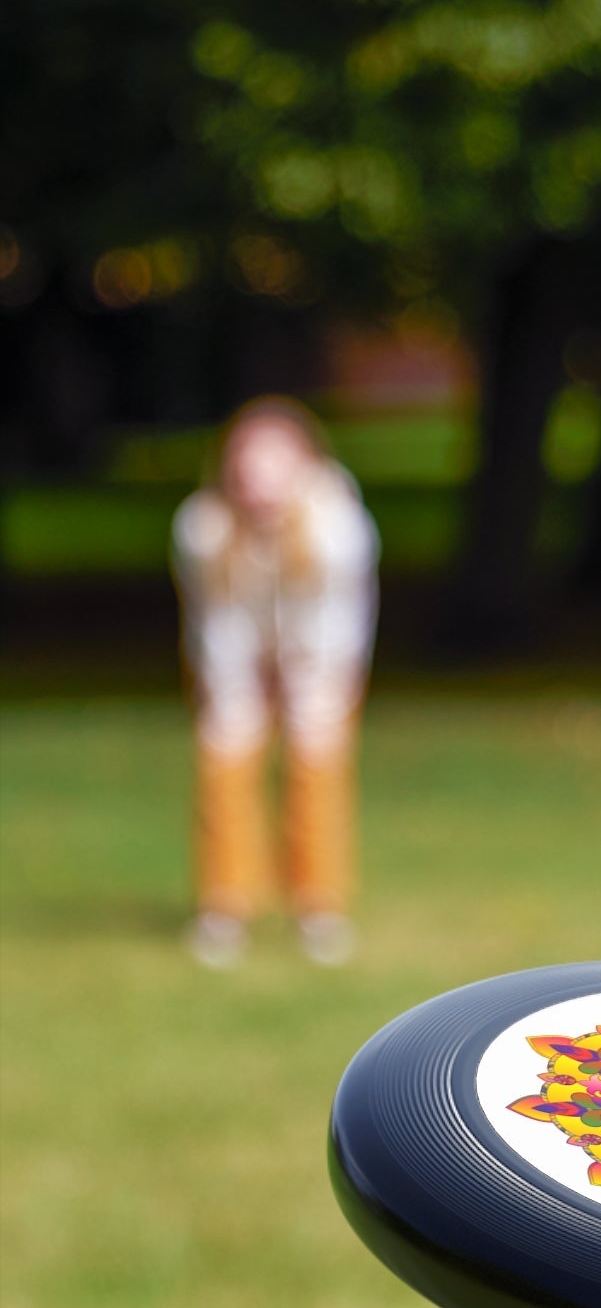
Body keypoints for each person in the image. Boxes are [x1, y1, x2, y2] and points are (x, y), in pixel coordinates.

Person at [172, 397, 379, 968]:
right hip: (234, 656)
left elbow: (337, 622)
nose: (259, 480)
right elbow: (216, 622)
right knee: (224, 758)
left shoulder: (338, 526)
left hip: (320, 658)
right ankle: (225, 906)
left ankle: (319, 907)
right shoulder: (203, 528)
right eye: (248, 464)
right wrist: (238, 690)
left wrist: (305, 683)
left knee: (317, 765)